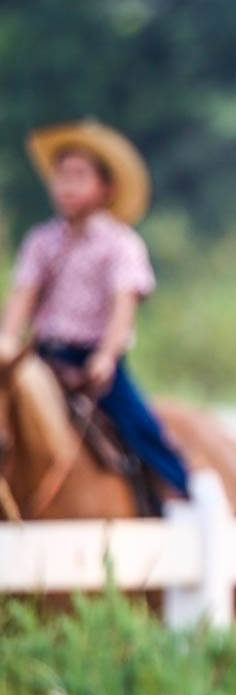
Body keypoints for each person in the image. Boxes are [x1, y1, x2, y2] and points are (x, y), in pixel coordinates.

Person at [0, 120, 192, 503]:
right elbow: (22, 296)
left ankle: (184, 493)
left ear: (107, 188)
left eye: (79, 176)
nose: (66, 185)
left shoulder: (121, 244)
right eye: (61, 176)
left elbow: (123, 305)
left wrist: (105, 356)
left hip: (94, 364)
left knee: (141, 426)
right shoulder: (43, 241)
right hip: (40, 359)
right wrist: (6, 340)